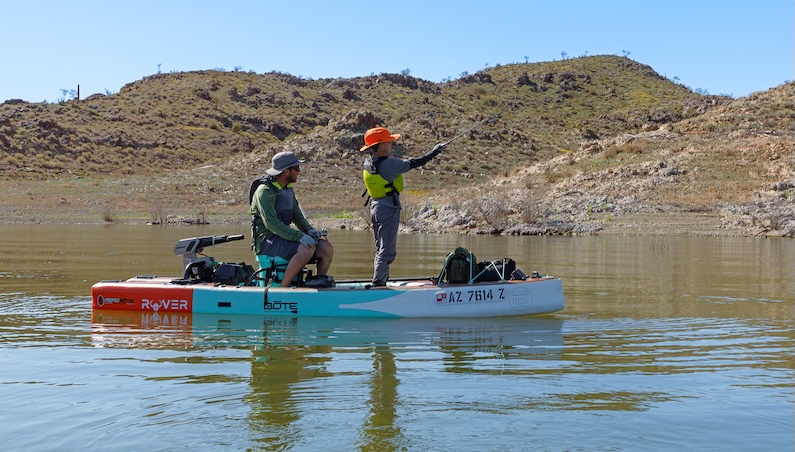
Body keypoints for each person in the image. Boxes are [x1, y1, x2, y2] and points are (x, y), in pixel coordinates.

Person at [360, 127, 445, 286]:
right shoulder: (389, 164)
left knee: (381, 249)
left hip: (376, 208)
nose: (391, 143)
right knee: (387, 252)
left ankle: (381, 281)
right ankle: (379, 284)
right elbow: (413, 163)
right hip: (388, 209)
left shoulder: (368, 163)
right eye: (388, 142)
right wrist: (434, 152)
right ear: (380, 145)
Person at [250, 151, 333, 287]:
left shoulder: (287, 190)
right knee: (306, 249)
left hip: (282, 238)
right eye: (296, 168)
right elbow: (271, 225)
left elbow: (297, 216)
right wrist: (299, 236)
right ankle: (283, 289)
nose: (299, 172)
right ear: (286, 171)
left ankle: (318, 282)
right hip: (266, 242)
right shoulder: (264, 192)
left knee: (326, 248)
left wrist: (309, 230)